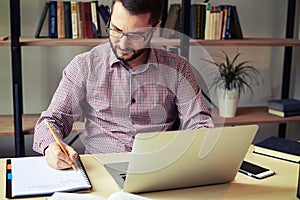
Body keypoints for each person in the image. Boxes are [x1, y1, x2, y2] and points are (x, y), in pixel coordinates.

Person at [33, 0, 214, 169]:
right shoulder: (84, 66)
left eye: (135, 35)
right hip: (101, 170)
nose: (123, 43)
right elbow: (52, 120)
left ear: (154, 29)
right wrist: (51, 147)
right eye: (116, 29)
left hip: (160, 169)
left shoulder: (177, 68)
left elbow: (198, 122)